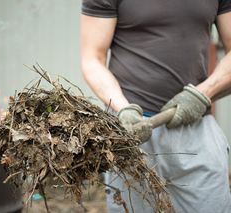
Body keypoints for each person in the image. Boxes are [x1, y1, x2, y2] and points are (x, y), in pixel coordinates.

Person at [80, 0, 231, 212]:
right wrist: (123, 109)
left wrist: (202, 94)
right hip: (130, 133)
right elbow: (92, 59)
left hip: (196, 128)